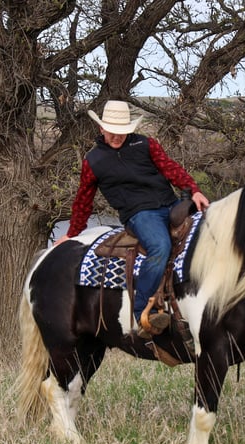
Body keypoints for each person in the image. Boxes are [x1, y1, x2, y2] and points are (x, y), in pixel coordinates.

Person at [54, 100, 209, 338]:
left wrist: (193, 189)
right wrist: (72, 233)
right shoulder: (93, 161)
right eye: (113, 132)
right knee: (159, 246)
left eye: (122, 132)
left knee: (206, 228)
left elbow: (170, 168)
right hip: (139, 214)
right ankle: (142, 312)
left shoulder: (146, 145)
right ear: (101, 129)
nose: (118, 137)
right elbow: (83, 201)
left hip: (170, 204)